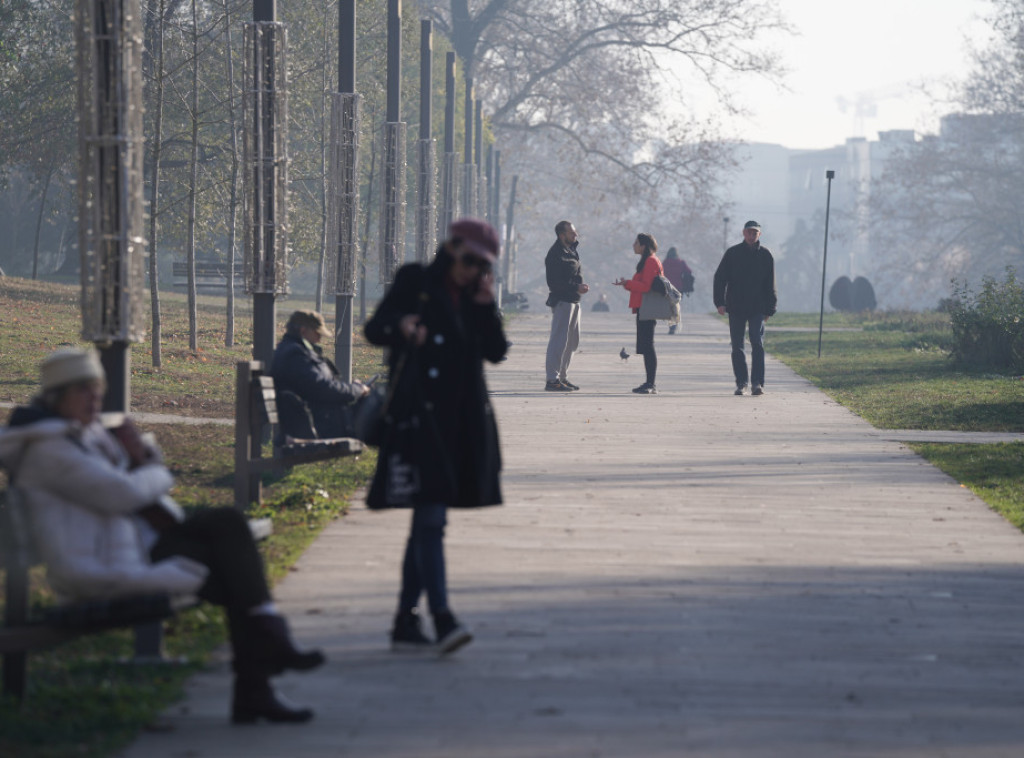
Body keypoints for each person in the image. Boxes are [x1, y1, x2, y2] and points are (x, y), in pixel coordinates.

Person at [0, 348, 325, 724]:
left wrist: (139, 458)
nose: (94, 399)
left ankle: (266, 649)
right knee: (233, 564)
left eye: (97, 389)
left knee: (229, 528)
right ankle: (262, 668)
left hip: (135, 545)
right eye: (83, 391)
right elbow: (122, 493)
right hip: (104, 566)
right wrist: (154, 467)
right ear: (57, 397)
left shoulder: (78, 435)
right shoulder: (50, 450)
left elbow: (127, 480)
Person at [364, 218, 508, 656]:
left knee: (425, 523)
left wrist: (486, 306)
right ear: (451, 247)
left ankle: (405, 621)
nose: (472, 272)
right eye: (468, 261)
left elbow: (496, 353)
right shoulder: (416, 281)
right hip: (420, 421)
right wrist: (403, 326)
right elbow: (375, 329)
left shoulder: (473, 297)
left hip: (462, 426)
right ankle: (442, 619)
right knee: (430, 521)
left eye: (482, 267)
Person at [270, 309, 370, 439]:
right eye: (317, 333)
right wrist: (357, 390)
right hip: (319, 426)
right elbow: (324, 388)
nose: (319, 338)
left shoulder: (293, 351)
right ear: (303, 330)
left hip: (318, 421)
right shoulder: (296, 355)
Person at [713, 220, 777, 396]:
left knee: (757, 342)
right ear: (743, 233)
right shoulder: (733, 253)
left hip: (758, 307)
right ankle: (741, 383)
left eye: (754, 232)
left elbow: (770, 283)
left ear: (759, 235)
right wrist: (719, 302)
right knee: (737, 346)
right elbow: (720, 278)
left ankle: (757, 383)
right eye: (749, 232)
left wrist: (770, 309)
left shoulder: (765, 255)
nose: (751, 235)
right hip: (736, 306)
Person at [613, 233, 663, 394]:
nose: (633, 245)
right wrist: (627, 284)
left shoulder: (650, 261)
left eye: (636, 243)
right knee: (646, 345)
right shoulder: (649, 260)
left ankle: (651, 383)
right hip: (644, 307)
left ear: (644, 246)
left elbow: (646, 286)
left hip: (647, 307)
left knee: (648, 345)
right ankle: (649, 382)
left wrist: (628, 283)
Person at [544, 220, 589, 391]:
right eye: (572, 232)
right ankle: (552, 379)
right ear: (562, 235)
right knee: (558, 341)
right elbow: (554, 283)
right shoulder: (555, 254)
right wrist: (575, 287)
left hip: (575, 301)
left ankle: (562, 376)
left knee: (571, 342)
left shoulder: (571, 251)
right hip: (563, 302)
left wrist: (580, 287)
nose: (575, 235)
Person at [662, 247, 693, 335]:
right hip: (679, 288)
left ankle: (671, 326)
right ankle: (674, 325)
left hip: (667, 288)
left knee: (669, 307)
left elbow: (660, 273)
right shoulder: (681, 262)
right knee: (676, 306)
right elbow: (689, 271)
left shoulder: (665, 263)